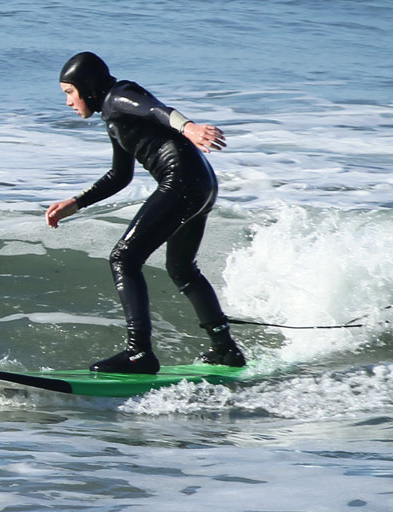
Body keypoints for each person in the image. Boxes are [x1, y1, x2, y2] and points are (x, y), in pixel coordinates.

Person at [44, 52, 245, 374]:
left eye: (69, 92)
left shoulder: (119, 96)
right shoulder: (113, 117)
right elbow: (119, 176)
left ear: (88, 87)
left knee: (123, 258)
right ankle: (225, 349)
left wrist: (189, 127)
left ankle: (139, 353)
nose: (68, 102)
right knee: (181, 269)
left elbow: (156, 110)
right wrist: (76, 202)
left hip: (181, 182)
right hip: (200, 186)